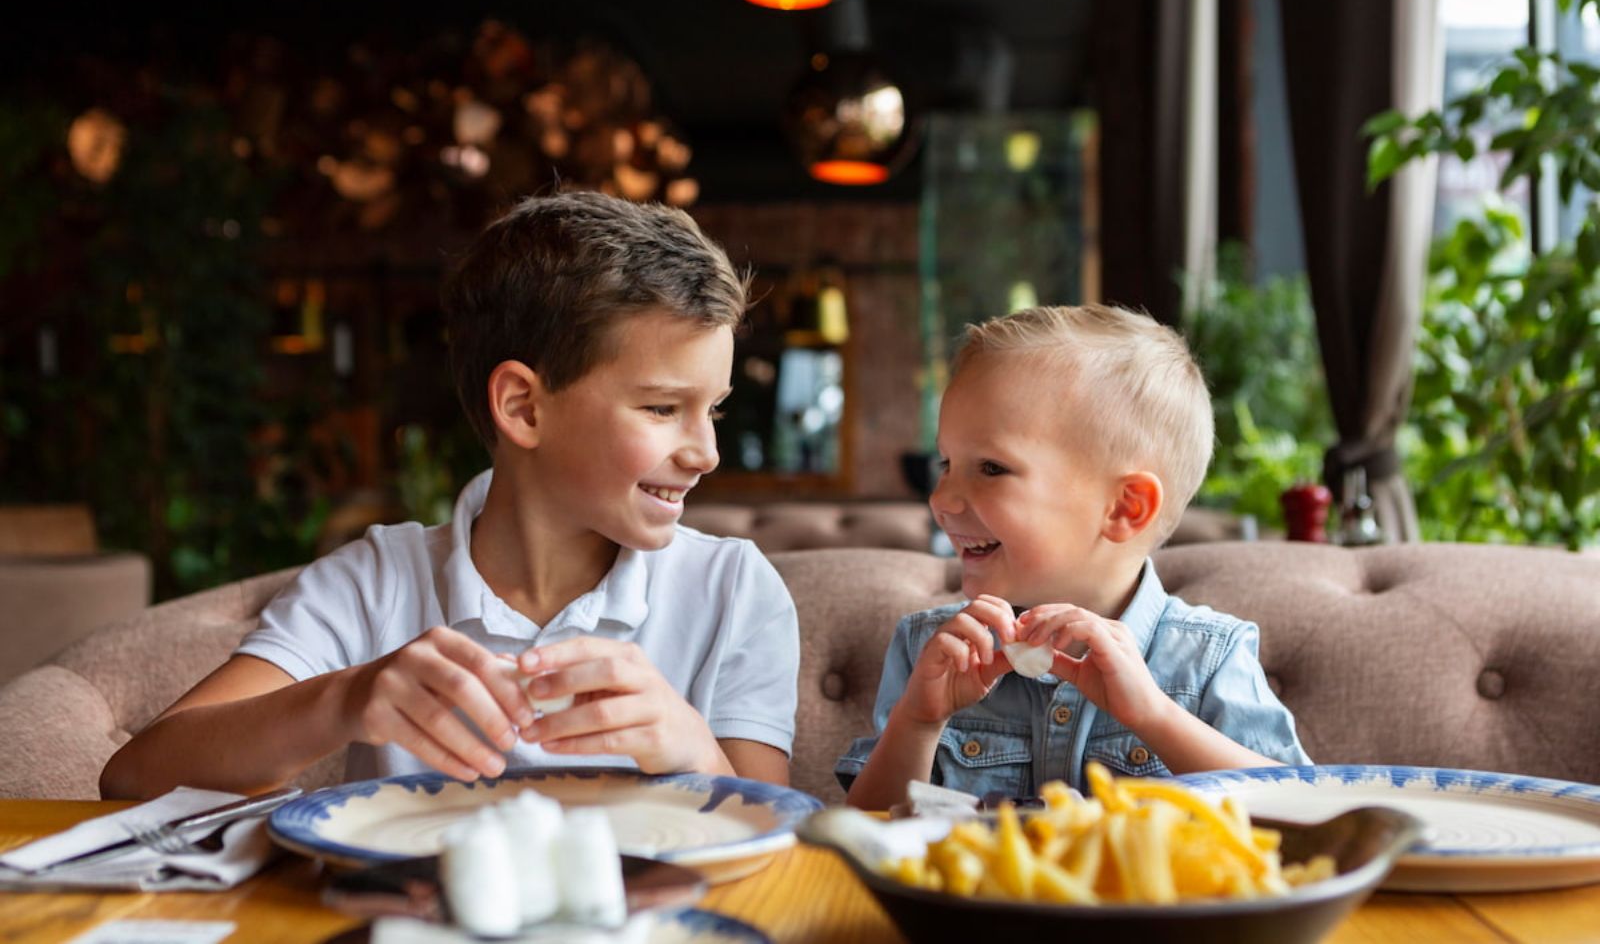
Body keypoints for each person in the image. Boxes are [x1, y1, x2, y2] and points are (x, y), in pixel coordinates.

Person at [101, 191, 800, 799]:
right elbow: (135, 775)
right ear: (524, 408)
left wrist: (690, 745)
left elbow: (778, 844)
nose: (705, 453)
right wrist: (346, 698)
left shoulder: (734, 589)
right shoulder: (375, 582)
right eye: (660, 409)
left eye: (713, 410)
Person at [838, 305, 1308, 809]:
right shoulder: (930, 650)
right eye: (947, 463)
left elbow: (1301, 810)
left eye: (991, 468)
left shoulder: (1208, 661)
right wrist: (918, 722)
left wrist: (1154, 716)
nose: (941, 499)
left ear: (1125, 508)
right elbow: (862, 834)